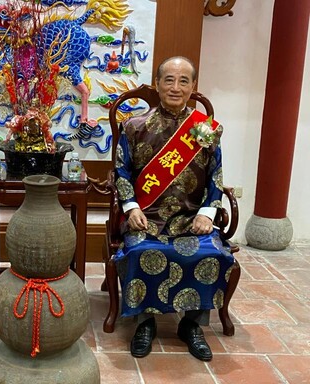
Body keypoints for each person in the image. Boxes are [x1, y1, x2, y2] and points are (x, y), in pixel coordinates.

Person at [113, 56, 235, 362]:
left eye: (183, 81)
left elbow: (216, 177)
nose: (175, 87)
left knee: (213, 253)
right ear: (157, 84)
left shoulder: (205, 130)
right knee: (140, 252)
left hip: (191, 220)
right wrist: (130, 207)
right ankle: (145, 323)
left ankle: (191, 325)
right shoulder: (134, 126)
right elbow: (121, 172)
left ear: (193, 86)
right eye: (168, 80)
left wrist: (208, 213)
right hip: (147, 218)